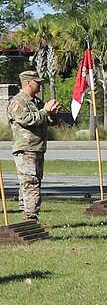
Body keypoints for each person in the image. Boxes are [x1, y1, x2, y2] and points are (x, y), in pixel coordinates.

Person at [7, 70, 59, 222]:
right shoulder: (18, 101)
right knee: (31, 182)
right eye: (38, 82)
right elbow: (26, 119)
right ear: (28, 83)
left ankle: (27, 215)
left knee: (32, 182)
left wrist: (52, 114)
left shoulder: (36, 102)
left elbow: (47, 120)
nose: (40, 85)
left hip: (37, 148)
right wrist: (45, 111)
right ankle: (31, 218)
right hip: (25, 149)